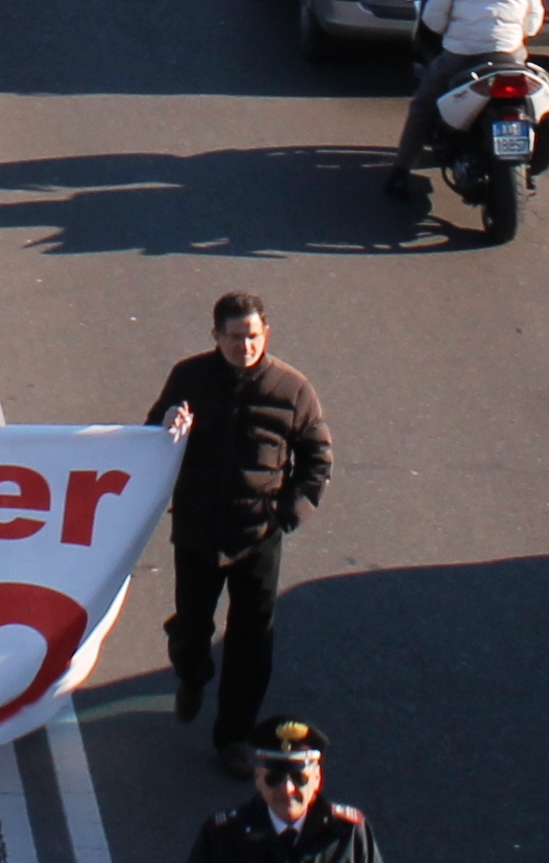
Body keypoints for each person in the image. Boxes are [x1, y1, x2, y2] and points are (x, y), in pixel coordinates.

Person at [146, 293, 334, 764]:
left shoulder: (292, 389)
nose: (244, 346)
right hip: (197, 531)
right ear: (216, 336)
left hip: (257, 537)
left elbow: (317, 459)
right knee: (192, 628)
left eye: (252, 336)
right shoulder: (189, 377)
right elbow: (151, 434)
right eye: (234, 337)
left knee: (252, 642)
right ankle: (192, 674)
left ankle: (233, 737)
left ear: (265, 334)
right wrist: (168, 424)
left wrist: (287, 514)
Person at [380, 0, 549, 197]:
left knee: (423, 105)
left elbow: (434, 21)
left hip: (460, 58)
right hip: (511, 58)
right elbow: (534, 24)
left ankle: (401, 171)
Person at [188, 723, 383, 863]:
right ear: (258, 779)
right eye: (274, 778)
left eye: (299, 778)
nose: (287, 789)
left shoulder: (347, 833)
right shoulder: (223, 836)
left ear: (317, 779)